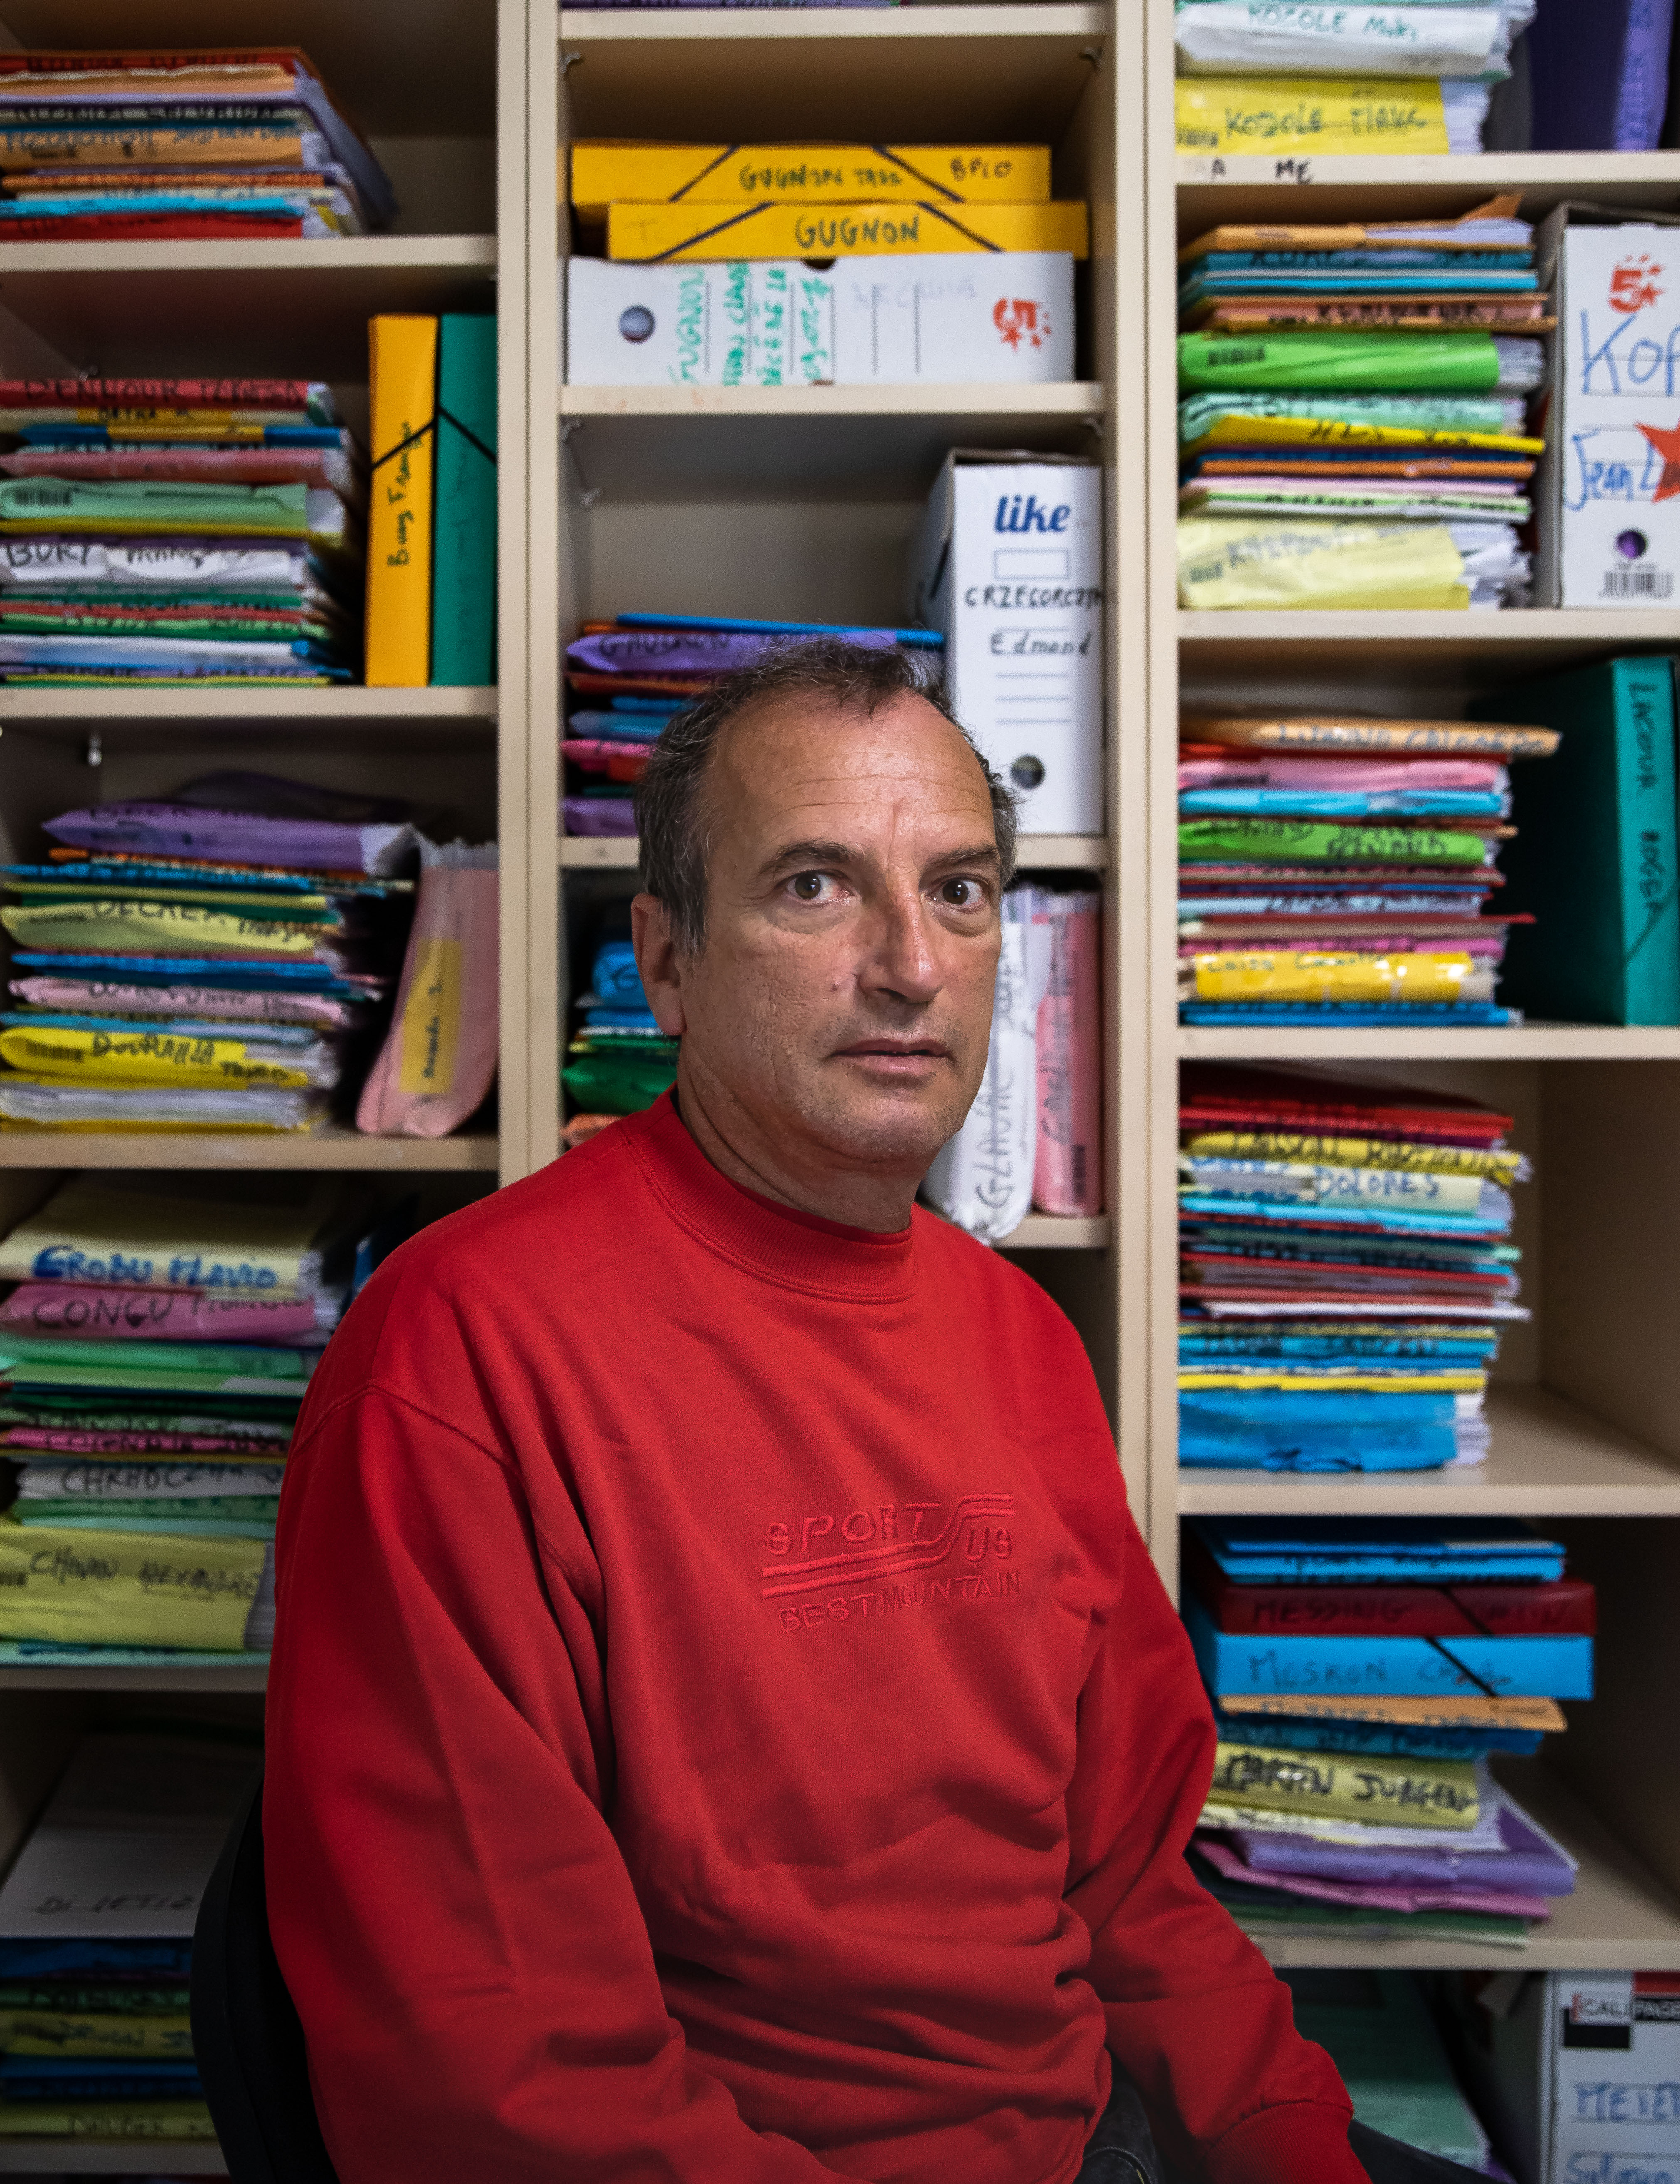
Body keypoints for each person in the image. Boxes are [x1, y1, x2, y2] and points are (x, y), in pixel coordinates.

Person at [264, 642, 1372, 2184]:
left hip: (1084, 2142)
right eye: (814, 886)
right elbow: (496, 2082)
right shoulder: (459, 1358)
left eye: (960, 891)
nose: (910, 964)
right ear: (665, 960)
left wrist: (1284, 2143)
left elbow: (1133, 1889)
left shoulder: (1022, 1339)